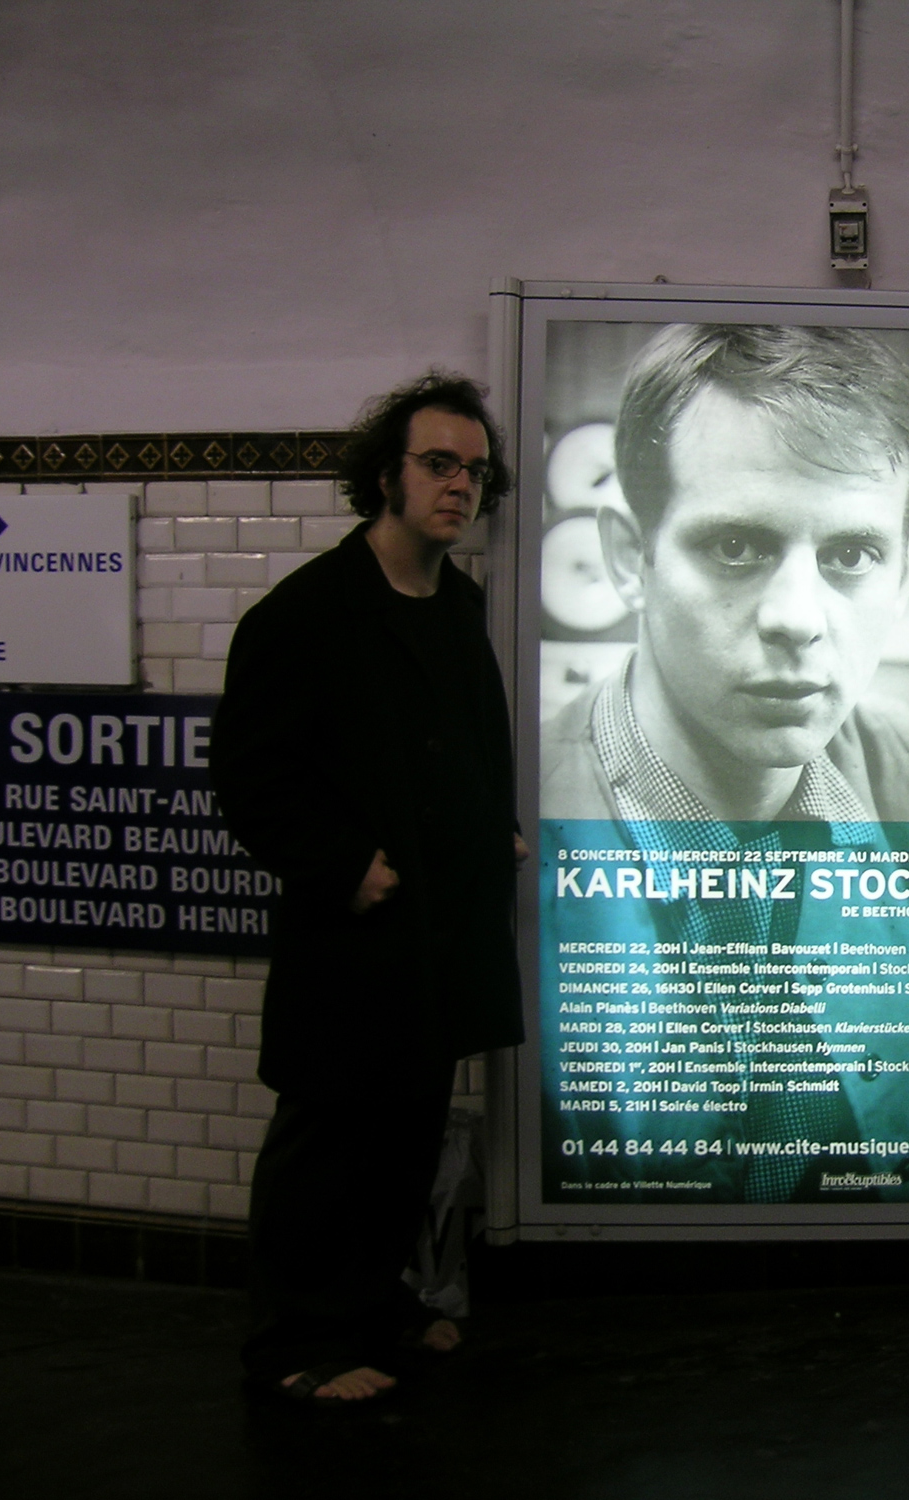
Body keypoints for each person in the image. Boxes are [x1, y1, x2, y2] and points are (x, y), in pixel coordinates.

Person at [211, 372, 525, 1405]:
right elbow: (251, 777)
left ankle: (373, 1306)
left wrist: (498, 825)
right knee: (327, 1137)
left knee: (405, 1130)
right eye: (438, 464)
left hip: (438, 926)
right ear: (384, 474)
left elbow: (468, 746)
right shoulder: (306, 613)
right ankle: (294, 1346)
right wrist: (345, 863)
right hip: (356, 929)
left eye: (473, 471)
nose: (458, 487)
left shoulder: (457, 603)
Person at [540, 322, 909, 825]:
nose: (797, 619)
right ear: (631, 556)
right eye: (734, 548)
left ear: (904, 573)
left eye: (851, 557)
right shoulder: (507, 810)